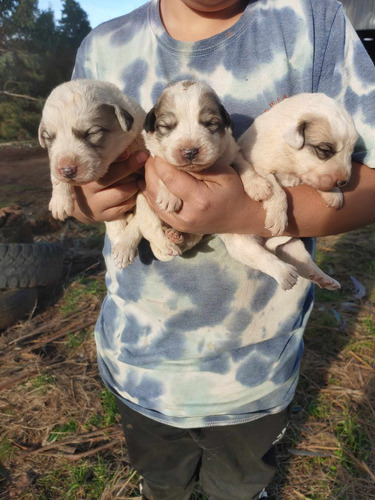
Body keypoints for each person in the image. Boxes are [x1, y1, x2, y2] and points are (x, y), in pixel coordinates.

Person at [71, 1, 375, 498]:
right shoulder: (103, 49)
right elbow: (79, 167)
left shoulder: (313, 20)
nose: (190, 144)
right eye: (169, 129)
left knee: (238, 484)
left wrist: (242, 212)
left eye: (212, 125)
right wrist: (88, 199)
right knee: (162, 483)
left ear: (225, 127)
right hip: (140, 361)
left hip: (255, 371)